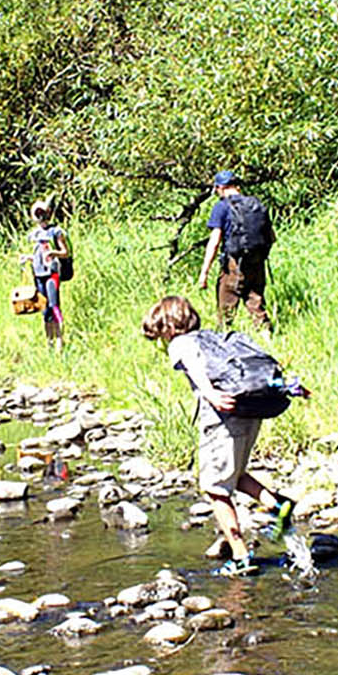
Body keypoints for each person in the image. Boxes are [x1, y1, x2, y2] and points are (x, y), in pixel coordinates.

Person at [141, 295, 299, 576]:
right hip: (249, 412)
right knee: (235, 475)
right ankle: (277, 504)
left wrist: (211, 394)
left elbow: (193, 367)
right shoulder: (212, 338)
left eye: (160, 332)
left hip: (222, 418)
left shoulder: (181, 343)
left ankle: (240, 556)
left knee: (215, 488)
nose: (161, 340)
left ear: (168, 325)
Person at [196, 171, 273, 331]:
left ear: (220, 188)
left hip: (234, 264)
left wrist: (204, 272)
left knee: (226, 309)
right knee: (256, 302)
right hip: (257, 262)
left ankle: (223, 342)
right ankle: (268, 337)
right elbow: (271, 237)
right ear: (237, 186)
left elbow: (214, 242)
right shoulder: (255, 204)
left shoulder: (221, 207)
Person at [22, 200, 68, 348]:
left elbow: (65, 252)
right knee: (44, 309)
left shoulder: (56, 231)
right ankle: (49, 342)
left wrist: (53, 253)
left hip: (52, 272)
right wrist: (27, 257)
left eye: (43, 213)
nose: (41, 217)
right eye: (38, 214)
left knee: (54, 305)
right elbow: (37, 255)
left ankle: (60, 340)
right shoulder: (34, 235)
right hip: (38, 273)